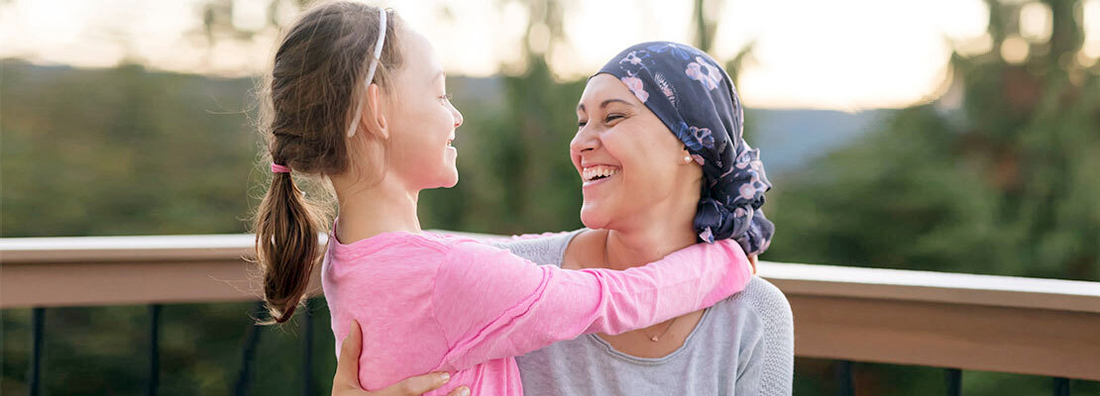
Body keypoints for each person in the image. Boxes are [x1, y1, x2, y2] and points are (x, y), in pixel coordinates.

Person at [249, 2, 756, 395]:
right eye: (441, 92)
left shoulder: (349, 257)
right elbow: (612, 298)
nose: (456, 115)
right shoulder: (450, 276)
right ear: (377, 111)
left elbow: (492, 263)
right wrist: (730, 259)